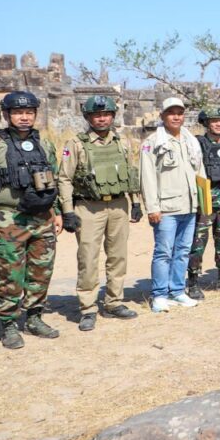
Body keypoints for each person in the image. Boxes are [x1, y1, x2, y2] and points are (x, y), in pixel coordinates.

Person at [0, 91, 63, 349]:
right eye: (18, 113)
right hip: (8, 218)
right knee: (10, 274)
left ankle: (35, 317)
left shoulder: (45, 144)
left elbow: (54, 179)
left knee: (41, 271)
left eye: (29, 112)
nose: (24, 117)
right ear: (6, 115)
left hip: (42, 217)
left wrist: (57, 211)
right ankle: (8, 324)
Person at [57, 95, 141, 331]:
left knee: (118, 256)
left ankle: (114, 302)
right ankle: (88, 308)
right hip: (88, 207)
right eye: (96, 115)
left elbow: (131, 173)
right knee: (88, 258)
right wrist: (68, 211)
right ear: (88, 117)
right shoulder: (76, 144)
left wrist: (136, 202)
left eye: (106, 114)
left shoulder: (123, 142)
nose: (102, 119)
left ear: (112, 116)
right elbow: (64, 178)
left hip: (118, 205)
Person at [140, 97, 204, 314]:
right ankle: (159, 294)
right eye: (171, 113)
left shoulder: (190, 141)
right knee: (163, 252)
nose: (176, 117)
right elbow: (147, 177)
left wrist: (203, 203)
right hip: (166, 208)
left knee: (183, 251)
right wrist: (152, 207)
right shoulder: (153, 142)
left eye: (180, 113)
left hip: (189, 205)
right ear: (163, 116)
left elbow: (200, 172)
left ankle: (177, 291)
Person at [188, 106, 220, 297]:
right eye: (214, 121)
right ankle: (193, 280)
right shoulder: (198, 144)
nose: (218, 124)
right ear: (206, 123)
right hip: (205, 201)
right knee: (198, 242)